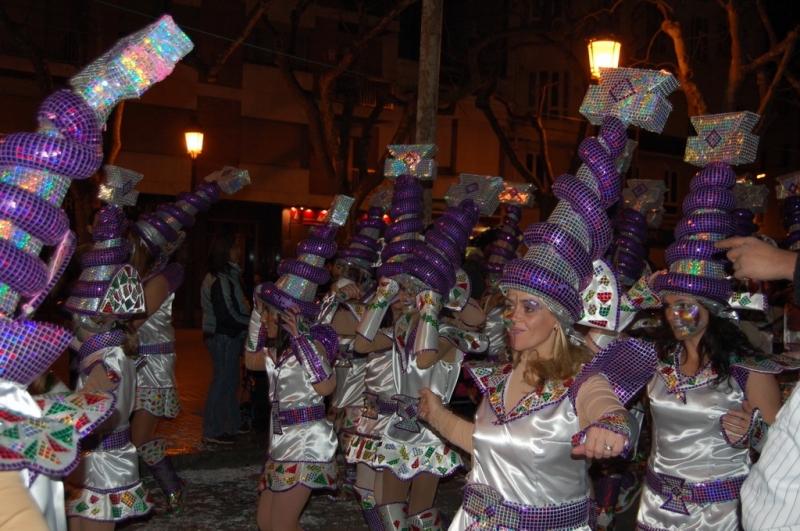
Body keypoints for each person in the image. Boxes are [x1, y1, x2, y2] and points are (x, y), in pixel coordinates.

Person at [250, 197, 353, 531]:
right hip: (281, 442)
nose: (266, 316)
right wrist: (256, 313)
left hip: (308, 442)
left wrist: (302, 340)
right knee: (266, 522)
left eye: (270, 311)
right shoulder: (275, 351)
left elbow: (326, 387)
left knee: (281, 524)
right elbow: (251, 362)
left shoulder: (313, 345)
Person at [63, 203, 155, 529]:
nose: (71, 324)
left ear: (93, 319)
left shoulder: (104, 363)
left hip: (102, 464)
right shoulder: (109, 350)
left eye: (75, 316)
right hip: (93, 461)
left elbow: (86, 419)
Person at [716, 235, 800, 531]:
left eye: (686, 304)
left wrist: (787, 264)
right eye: (669, 304)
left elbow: (773, 441)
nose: (676, 315)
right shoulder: (660, 361)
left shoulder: (751, 368)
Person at [201, 232, 251, 445]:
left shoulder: (228, 276)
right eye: (235, 247)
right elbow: (226, 314)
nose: (239, 252)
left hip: (228, 335)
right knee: (222, 380)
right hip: (223, 336)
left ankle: (231, 424)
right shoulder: (221, 278)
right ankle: (214, 429)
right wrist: (251, 324)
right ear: (224, 251)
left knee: (230, 380)